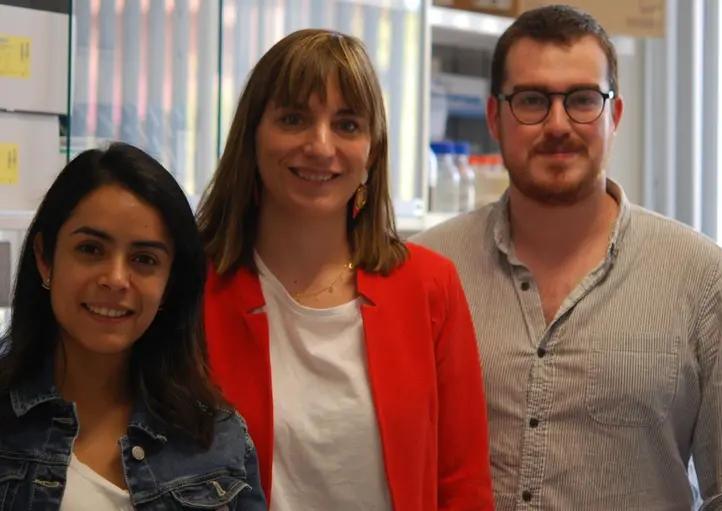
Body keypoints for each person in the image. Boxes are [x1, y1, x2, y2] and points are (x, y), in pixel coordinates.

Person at [412, 5, 722, 511]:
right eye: (531, 100)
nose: (558, 124)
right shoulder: (428, 268)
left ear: (614, 115)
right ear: (494, 118)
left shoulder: (702, 279)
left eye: (583, 100)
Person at [196, 28, 494, 511]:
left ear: (372, 152)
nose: (320, 145)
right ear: (251, 137)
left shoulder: (430, 286)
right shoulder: (194, 285)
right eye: (293, 118)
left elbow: (463, 488)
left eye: (347, 125)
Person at [0, 143, 267, 510]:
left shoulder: (217, 440)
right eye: (91, 249)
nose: (115, 279)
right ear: (45, 258)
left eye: (144, 259)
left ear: (170, 283)